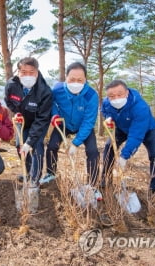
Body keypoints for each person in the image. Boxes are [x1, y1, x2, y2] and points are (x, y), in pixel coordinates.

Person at [101, 79, 155, 196]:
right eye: (111, 96)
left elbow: (136, 135)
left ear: (127, 93)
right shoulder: (106, 102)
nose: (115, 98)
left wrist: (124, 156)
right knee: (108, 147)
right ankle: (105, 181)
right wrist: (109, 118)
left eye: (119, 94)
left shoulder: (140, 107)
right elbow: (105, 111)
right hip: (120, 128)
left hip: (145, 130)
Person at [43, 62, 100, 192]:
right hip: (64, 123)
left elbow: (89, 121)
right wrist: (55, 114)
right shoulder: (57, 89)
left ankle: (92, 184)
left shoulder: (91, 95)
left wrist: (75, 143)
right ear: (66, 78)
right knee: (52, 146)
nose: (76, 83)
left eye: (80, 80)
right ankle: (51, 174)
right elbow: (50, 102)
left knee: (93, 152)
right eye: (72, 79)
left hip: (83, 126)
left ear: (85, 80)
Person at [4, 57, 52, 186]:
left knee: (36, 146)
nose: (27, 75)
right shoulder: (11, 85)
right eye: (24, 72)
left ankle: (35, 180)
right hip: (22, 120)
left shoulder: (45, 91)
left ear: (37, 72)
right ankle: (29, 171)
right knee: (20, 146)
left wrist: (30, 141)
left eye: (31, 72)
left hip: (39, 122)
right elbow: (8, 100)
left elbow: (42, 118)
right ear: (18, 72)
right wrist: (16, 111)